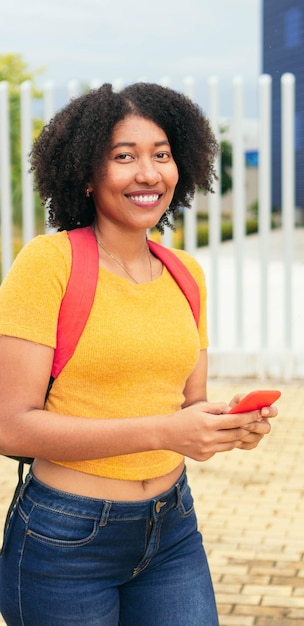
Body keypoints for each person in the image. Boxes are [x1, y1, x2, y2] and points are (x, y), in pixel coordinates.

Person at [0, 82, 277, 626]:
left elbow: (185, 406)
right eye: (123, 157)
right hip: (66, 537)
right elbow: (11, 427)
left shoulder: (186, 274)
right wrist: (167, 433)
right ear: (85, 172)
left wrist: (225, 425)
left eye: (162, 155)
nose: (148, 173)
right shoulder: (47, 262)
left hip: (171, 527)